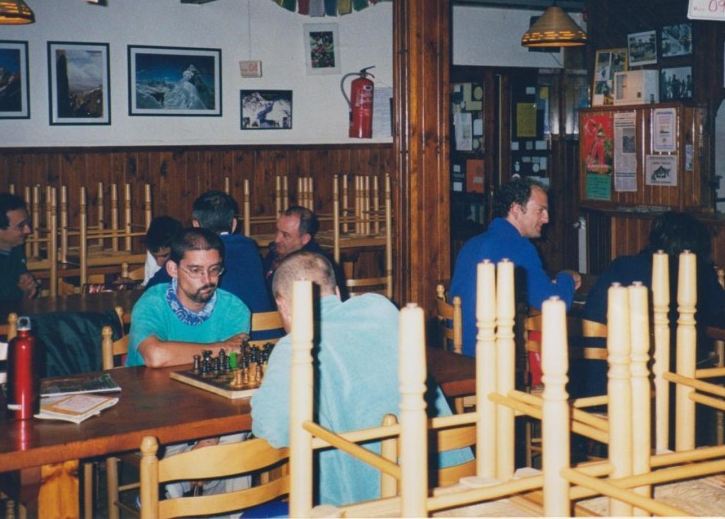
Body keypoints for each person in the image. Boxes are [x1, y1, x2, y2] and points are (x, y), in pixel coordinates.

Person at [251, 251, 471, 507]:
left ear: (283, 305)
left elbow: (273, 430)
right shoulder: (380, 307)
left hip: (374, 506)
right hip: (453, 487)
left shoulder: (294, 347)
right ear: (337, 293)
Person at [127, 227, 251, 499]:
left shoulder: (235, 309)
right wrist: (221, 347)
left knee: (237, 435)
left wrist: (211, 434)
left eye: (215, 270)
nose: (207, 280)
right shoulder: (152, 303)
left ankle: (175, 488)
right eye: (195, 270)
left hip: (209, 414)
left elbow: (232, 371)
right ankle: (179, 488)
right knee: (230, 448)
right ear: (172, 269)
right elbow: (155, 356)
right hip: (151, 414)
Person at [579, 211, 725, 398]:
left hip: (600, 379)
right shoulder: (691, 276)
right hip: (660, 381)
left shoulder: (621, 266)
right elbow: (718, 308)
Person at [449, 178, 580, 357]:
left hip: (457, 351)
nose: (547, 218)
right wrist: (568, 277)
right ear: (516, 209)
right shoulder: (518, 246)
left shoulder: (472, 243)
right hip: (488, 358)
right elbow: (555, 304)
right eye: (540, 210)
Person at [191, 190, 274, 316]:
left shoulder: (194, 253)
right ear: (234, 224)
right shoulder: (250, 248)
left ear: (196, 225)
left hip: (229, 333)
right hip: (268, 331)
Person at [262, 205, 344, 300]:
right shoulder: (277, 249)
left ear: (304, 239)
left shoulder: (313, 264)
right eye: (277, 231)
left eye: (285, 235)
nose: (277, 239)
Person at [142, 215, 183, 285]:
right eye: (154, 256)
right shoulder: (153, 249)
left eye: (164, 256)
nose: (158, 263)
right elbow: (148, 286)